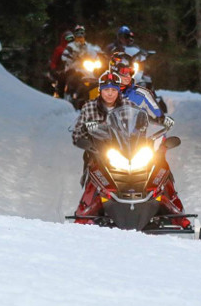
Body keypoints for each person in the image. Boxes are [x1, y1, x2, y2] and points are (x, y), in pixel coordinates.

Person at [108, 51, 188, 229]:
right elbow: (94, 116)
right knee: (95, 168)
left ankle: (178, 214)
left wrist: (162, 127)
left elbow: (157, 116)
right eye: (123, 72)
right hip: (114, 144)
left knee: (161, 169)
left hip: (141, 143)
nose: (127, 76)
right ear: (113, 72)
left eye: (129, 72)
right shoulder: (105, 93)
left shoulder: (141, 94)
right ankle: (86, 211)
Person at [71, 71, 135, 224]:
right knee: (95, 175)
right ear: (100, 90)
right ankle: (85, 213)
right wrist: (86, 138)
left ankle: (166, 207)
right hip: (99, 152)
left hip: (127, 151)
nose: (110, 94)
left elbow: (141, 123)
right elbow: (77, 133)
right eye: (107, 90)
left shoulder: (129, 106)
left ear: (119, 91)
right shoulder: (90, 107)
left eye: (114, 90)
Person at [48, 30, 74, 98]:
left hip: (75, 70)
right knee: (62, 80)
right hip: (63, 71)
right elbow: (54, 61)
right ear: (64, 39)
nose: (70, 40)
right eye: (68, 38)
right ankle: (61, 95)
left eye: (71, 38)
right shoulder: (60, 49)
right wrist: (53, 69)